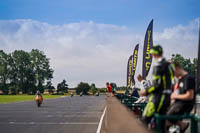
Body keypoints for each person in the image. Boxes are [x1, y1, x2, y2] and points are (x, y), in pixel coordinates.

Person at [137, 45, 175, 127]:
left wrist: (145, 91)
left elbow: (156, 85)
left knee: (143, 121)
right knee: (161, 124)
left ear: (154, 54)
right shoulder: (170, 66)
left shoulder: (158, 67)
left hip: (159, 98)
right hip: (168, 97)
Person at [165, 61, 195, 132]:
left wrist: (175, 96)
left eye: (172, 72)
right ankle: (182, 125)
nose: (173, 75)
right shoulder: (180, 79)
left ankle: (182, 124)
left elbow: (190, 96)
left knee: (164, 122)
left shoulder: (188, 78)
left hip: (184, 105)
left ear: (176, 68)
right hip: (178, 105)